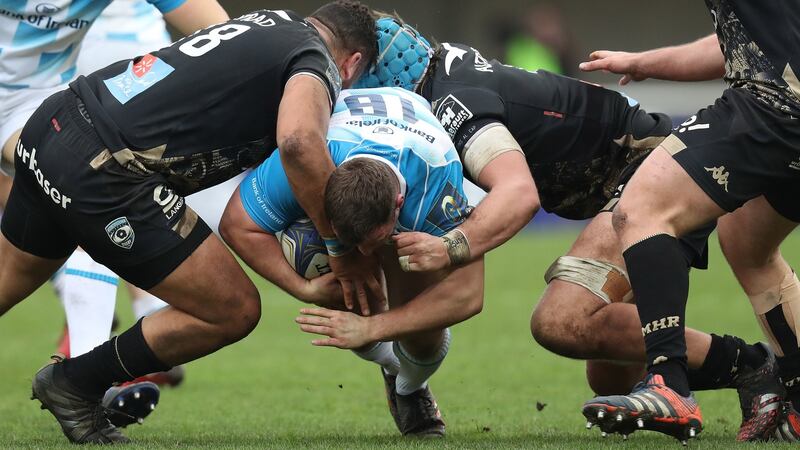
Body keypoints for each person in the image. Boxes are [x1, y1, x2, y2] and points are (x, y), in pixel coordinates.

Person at [354, 15, 783, 441]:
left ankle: (752, 367)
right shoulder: (444, 76)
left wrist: (451, 247)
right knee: (610, 378)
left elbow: (519, 195)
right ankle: (742, 370)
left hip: (650, 170)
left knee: (561, 321)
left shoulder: (449, 104)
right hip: (635, 171)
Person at [0, 3, 377, 443]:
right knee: (233, 310)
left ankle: (75, 382)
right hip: (105, 168)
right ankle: (73, 384)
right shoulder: (317, 60)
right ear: (351, 63)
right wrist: (341, 251)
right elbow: (298, 141)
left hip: (53, 121)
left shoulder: (272, 19)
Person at [578, 1, 800, 443]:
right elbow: (740, 45)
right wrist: (645, 63)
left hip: (775, 105)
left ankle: (669, 385)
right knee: (746, 243)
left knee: (642, 208)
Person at [0, 0, 229, 427]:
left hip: (38, 106)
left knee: (82, 190)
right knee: (74, 198)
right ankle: (98, 359)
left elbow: (223, 33)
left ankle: (86, 375)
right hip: (42, 111)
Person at [219, 86, 485, 437]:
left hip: (416, 144)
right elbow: (237, 225)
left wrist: (374, 329)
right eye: (351, 243)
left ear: (399, 204)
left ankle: (406, 387)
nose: (363, 255)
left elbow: (469, 295)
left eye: (370, 244)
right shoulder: (313, 160)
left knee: (422, 334)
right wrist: (306, 288)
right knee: (350, 290)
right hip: (353, 132)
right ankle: (397, 371)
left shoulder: (437, 182)